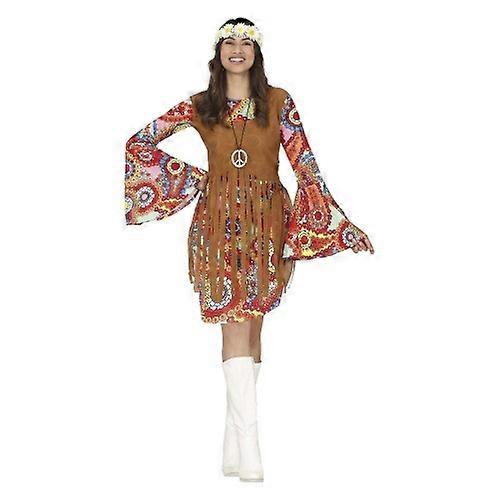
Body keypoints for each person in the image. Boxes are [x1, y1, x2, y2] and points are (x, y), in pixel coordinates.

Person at [124, 17, 374, 482]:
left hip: (266, 224)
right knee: (235, 323)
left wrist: (336, 224)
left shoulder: (278, 102)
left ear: (257, 53)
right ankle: (251, 450)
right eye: (229, 42)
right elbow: (139, 143)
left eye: (246, 42)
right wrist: (194, 181)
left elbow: (305, 166)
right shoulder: (201, 106)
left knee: (254, 329)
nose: (237, 49)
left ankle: (232, 447)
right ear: (217, 53)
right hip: (218, 225)